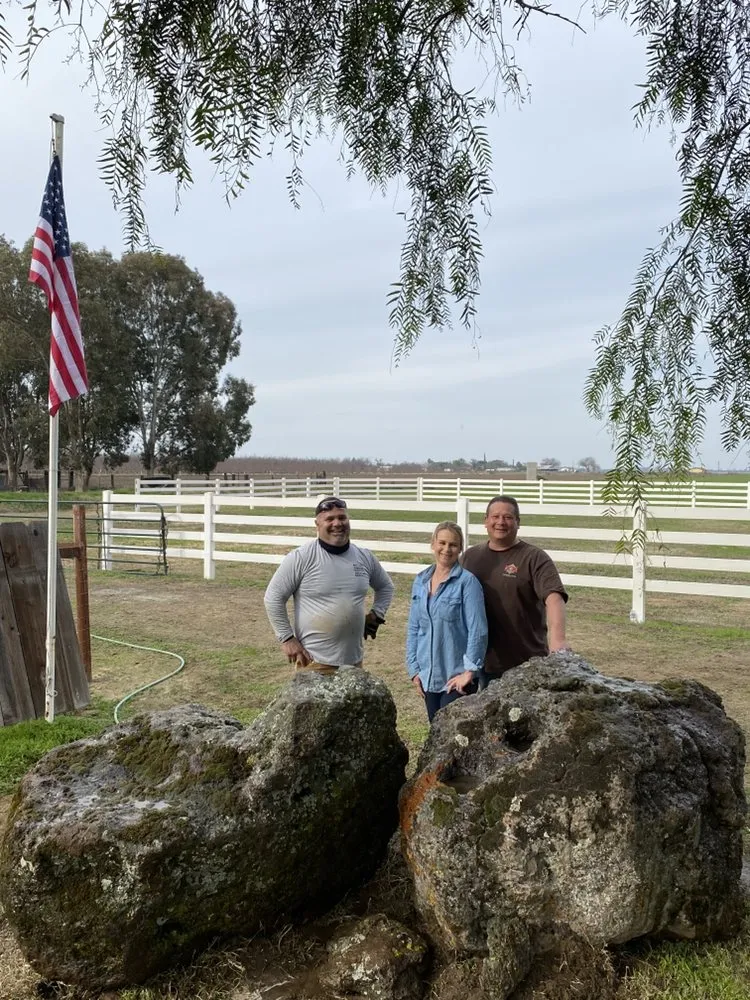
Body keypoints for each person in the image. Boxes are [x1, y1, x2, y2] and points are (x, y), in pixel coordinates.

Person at [264, 497, 394, 672]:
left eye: (342, 518)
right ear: (317, 524)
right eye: (330, 519)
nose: (337, 523)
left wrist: (376, 615)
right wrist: (287, 639)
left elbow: (386, 587)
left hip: (354, 662)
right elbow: (273, 598)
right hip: (314, 662)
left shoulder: (364, 557)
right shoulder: (301, 558)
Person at [461, 495, 569, 681]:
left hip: (525, 661)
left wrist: (558, 639)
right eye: (495, 517)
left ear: (518, 522)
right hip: (480, 661)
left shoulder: (534, 558)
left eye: (508, 517)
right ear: (485, 521)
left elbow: (554, 598)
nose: (501, 522)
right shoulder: (470, 557)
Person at [406, 521, 488, 722]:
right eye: (441, 543)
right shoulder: (421, 581)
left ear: (461, 548)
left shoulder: (468, 583)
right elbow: (414, 627)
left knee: (452, 736)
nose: (446, 549)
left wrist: (469, 672)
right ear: (432, 544)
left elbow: (478, 630)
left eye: (453, 544)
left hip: (456, 677)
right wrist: (414, 669)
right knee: (436, 731)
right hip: (428, 675)